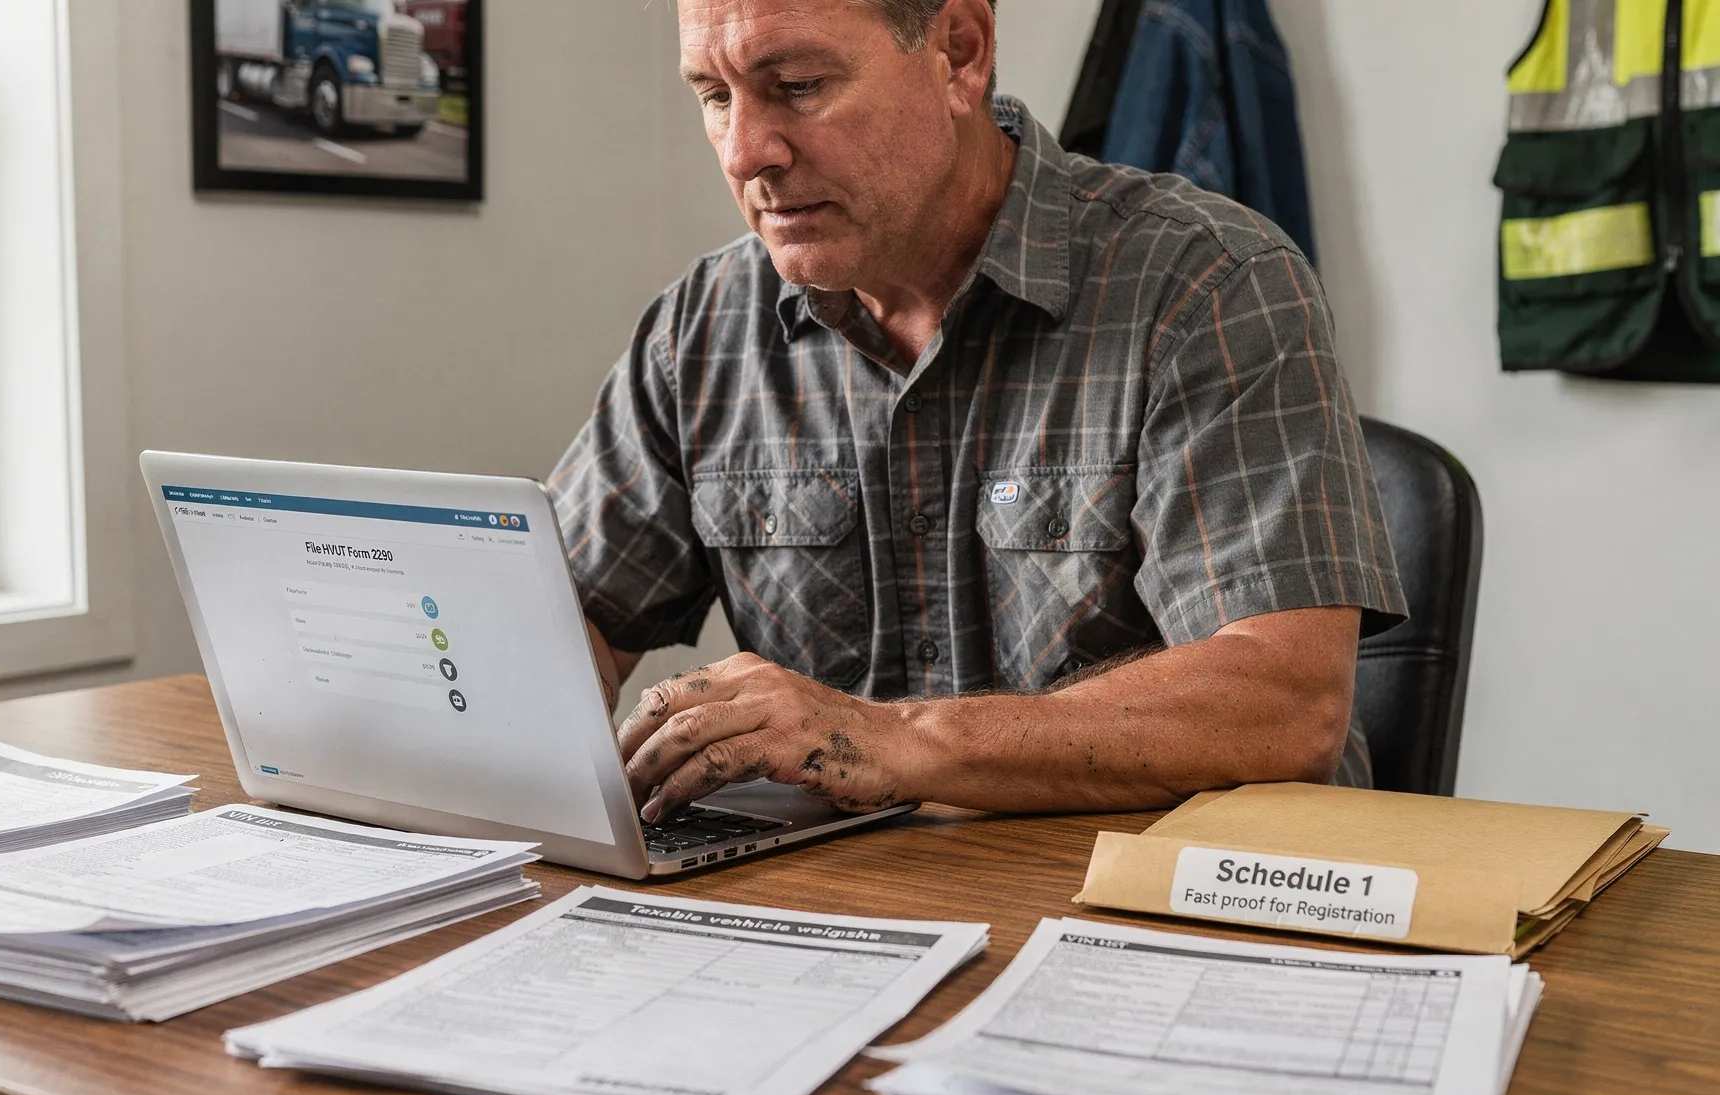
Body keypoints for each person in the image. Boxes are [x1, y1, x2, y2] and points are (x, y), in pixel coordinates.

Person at [548, 0, 1405, 824]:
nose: (745, 151)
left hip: (1162, 918)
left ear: (958, 52)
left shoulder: (1211, 285)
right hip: (855, 916)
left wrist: (899, 740)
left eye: (799, 85)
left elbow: (1282, 703)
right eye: (714, 95)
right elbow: (564, 623)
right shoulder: (699, 332)